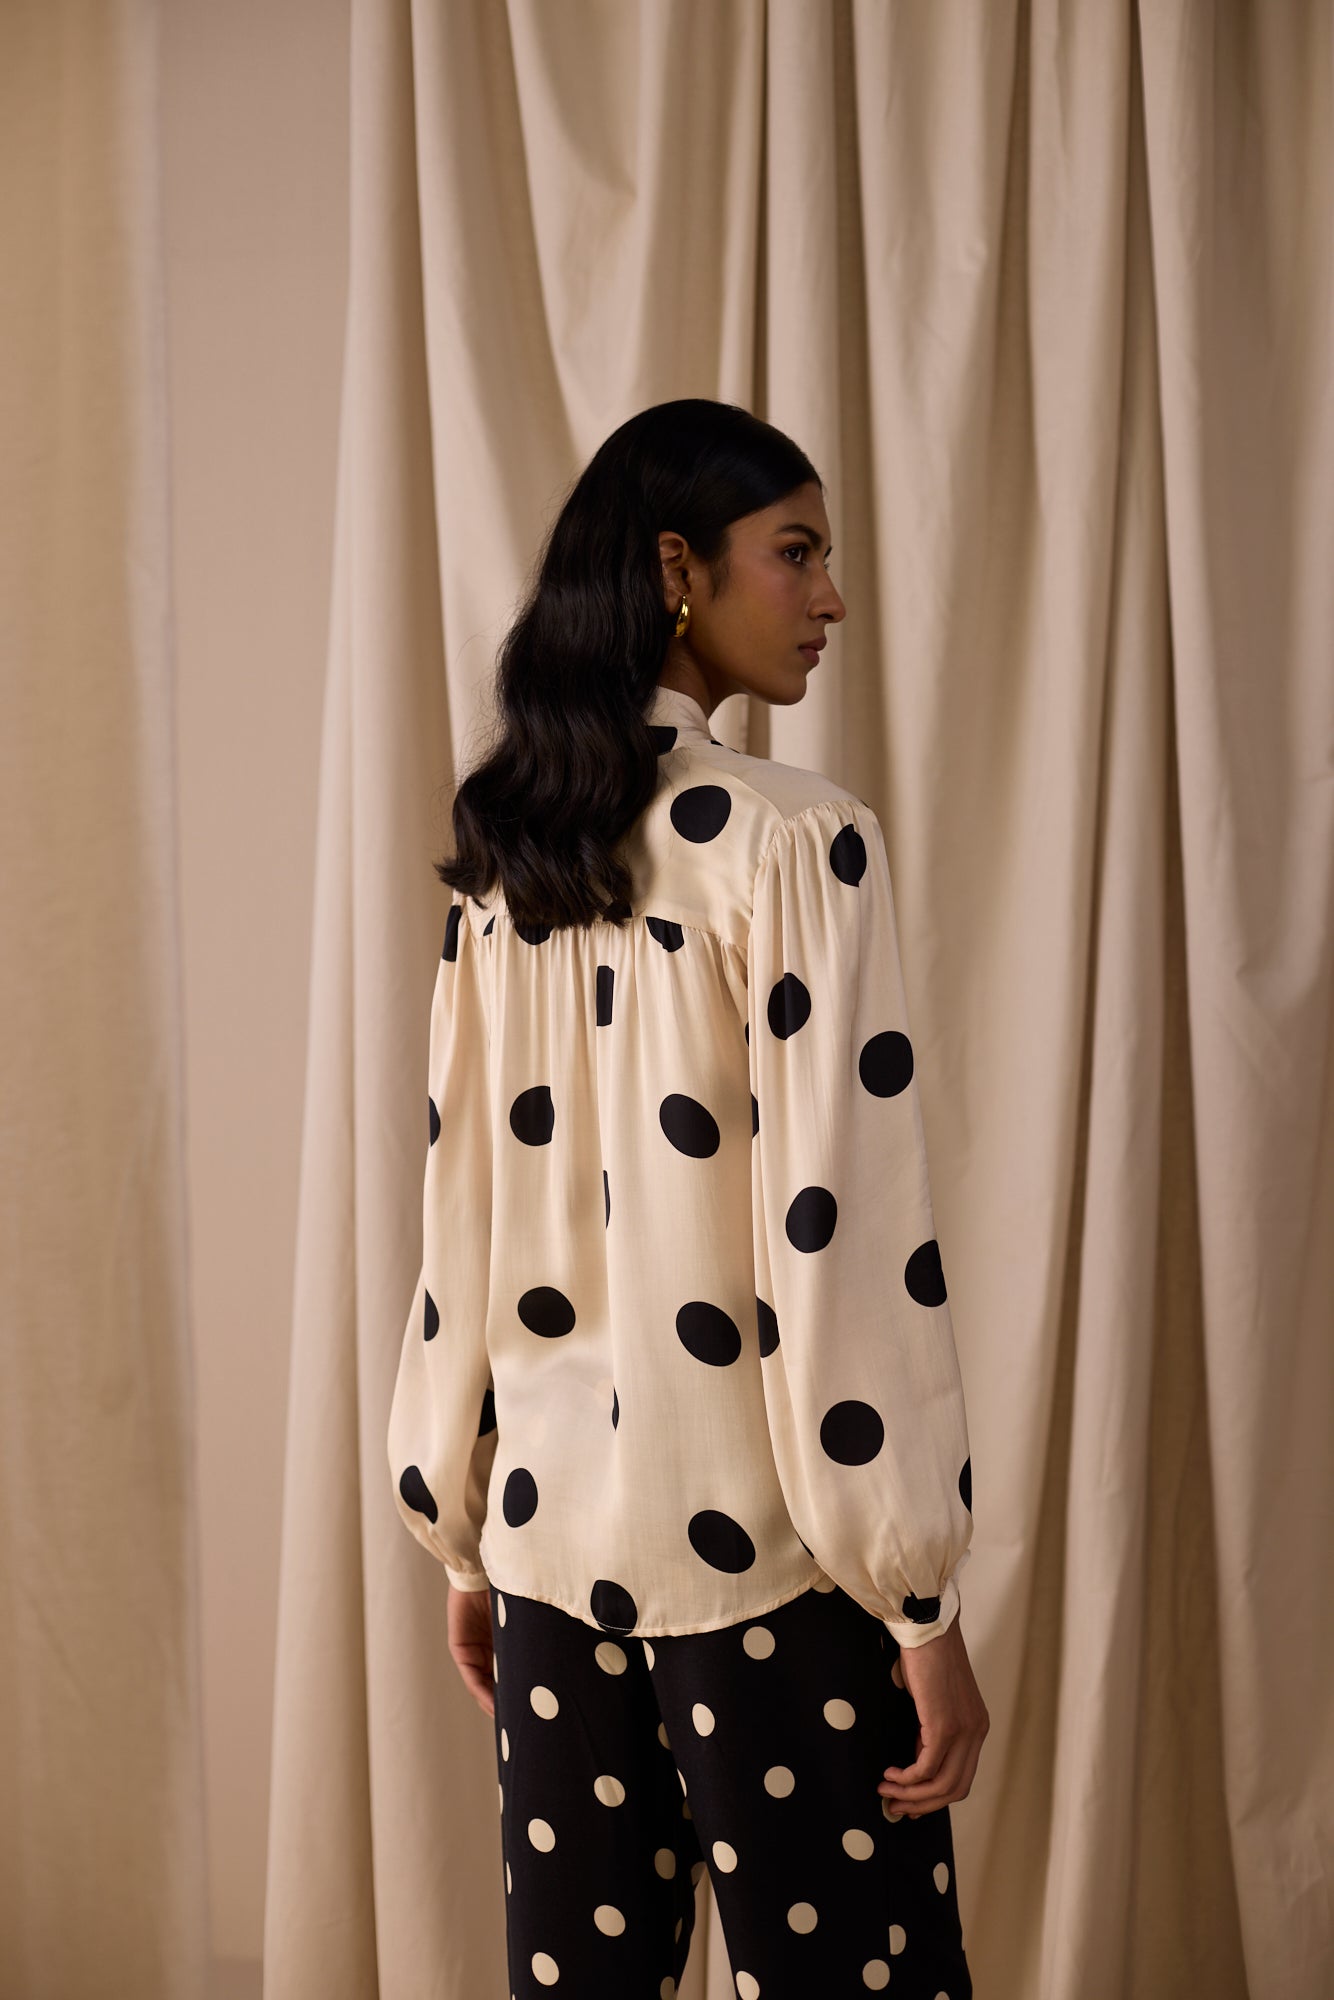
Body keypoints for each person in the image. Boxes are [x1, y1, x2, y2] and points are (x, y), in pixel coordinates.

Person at [387, 398, 989, 1998]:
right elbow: (837, 1237)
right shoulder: (796, 842)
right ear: (676, 570)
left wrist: (461, 1537)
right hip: (772, 1570)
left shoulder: (509, 855)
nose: (829, 598)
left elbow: (459, 1223)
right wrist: (916, 1598)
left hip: (545, 1555)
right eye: (795, 553)